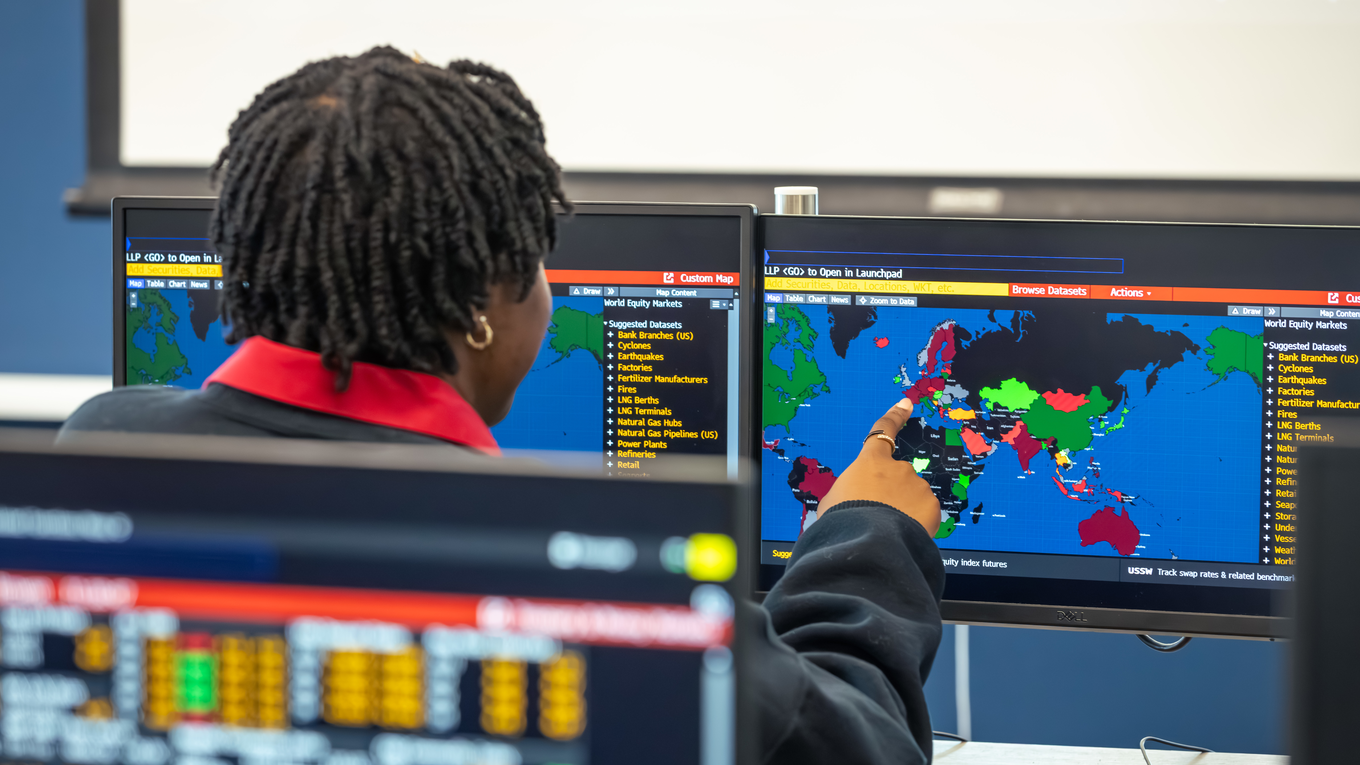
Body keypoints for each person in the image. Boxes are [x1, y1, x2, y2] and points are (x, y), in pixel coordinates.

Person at [60, 48, 945, 764]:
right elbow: (859, 749)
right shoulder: (592, 560)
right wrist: (869, 537)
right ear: (485, 303)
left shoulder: (101, 450)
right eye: (538, 260)